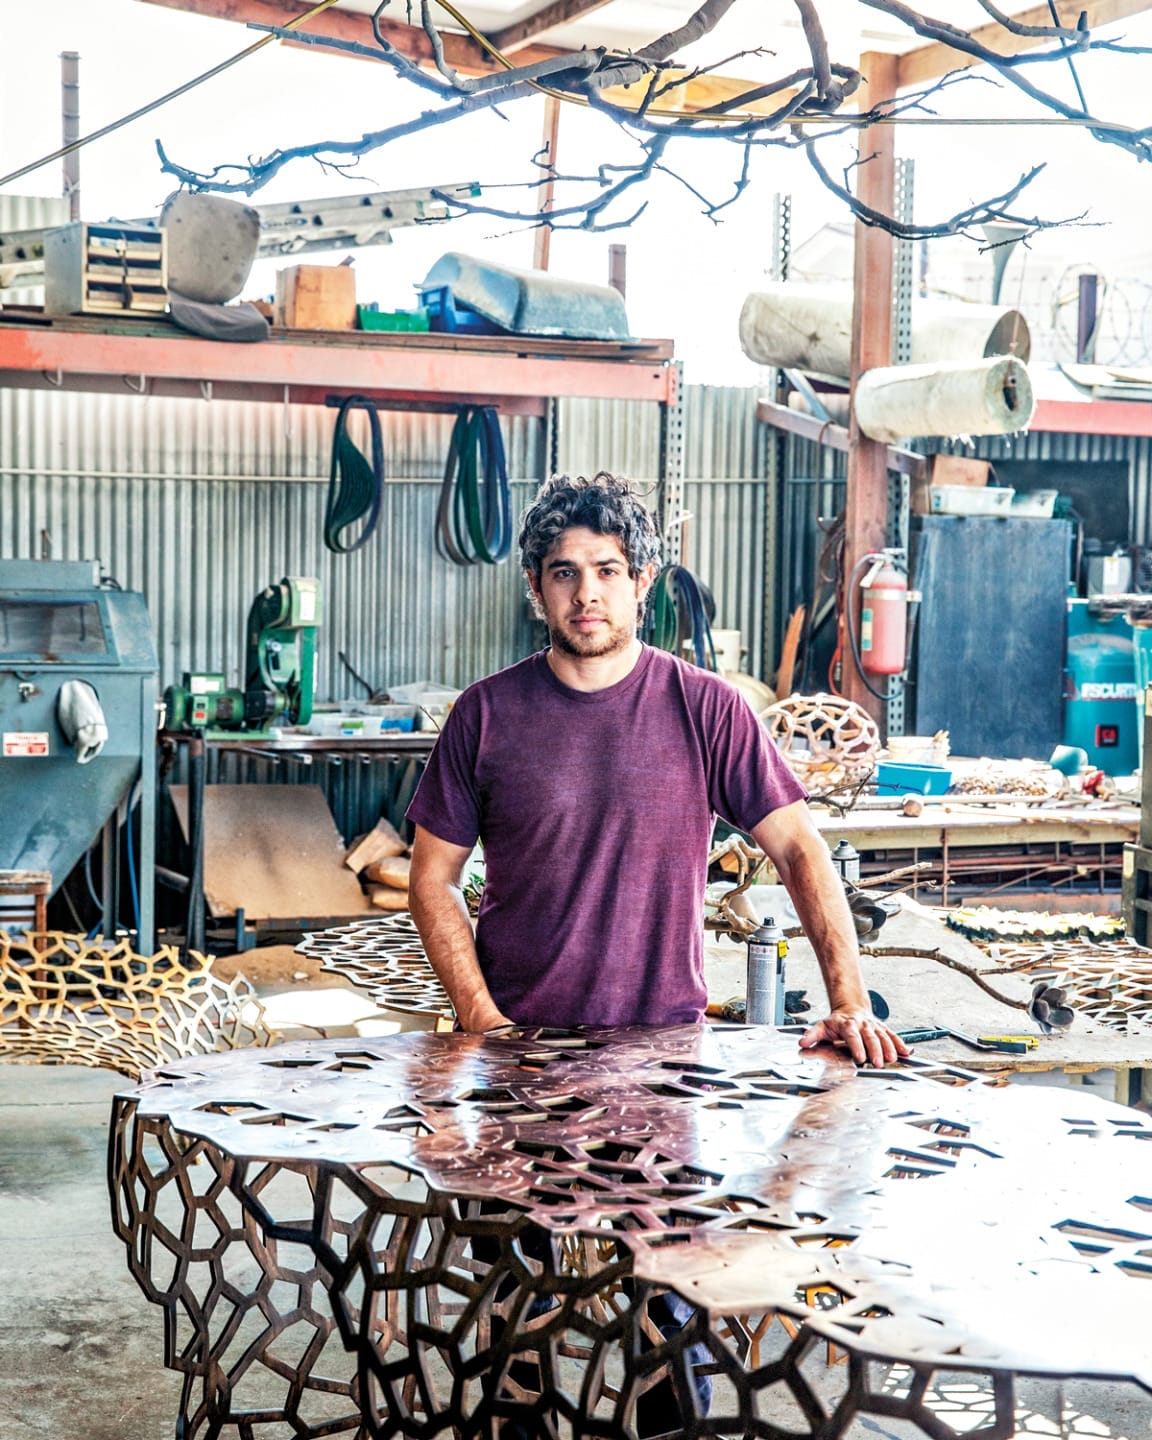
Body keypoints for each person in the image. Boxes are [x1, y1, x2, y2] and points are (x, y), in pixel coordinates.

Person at [408, 472, 908, 1070]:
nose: (586, 593)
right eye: (564, 572)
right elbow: (433, 879)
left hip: (666, 1054)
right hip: (520, 1052)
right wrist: (483, 1019)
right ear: (536, 588)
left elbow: (800, 847)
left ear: (642, 581)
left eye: (607, 570)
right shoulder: (483, 714)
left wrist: (849, 1001)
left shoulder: (707, 708)